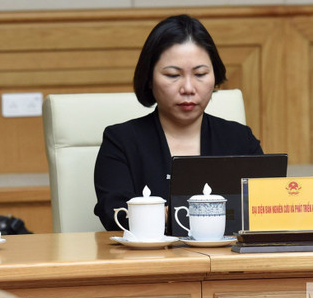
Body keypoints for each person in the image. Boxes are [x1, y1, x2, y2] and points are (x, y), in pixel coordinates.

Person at [93, 14, 262, 231]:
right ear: (149, 79)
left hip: (228, 262)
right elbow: (114, 215)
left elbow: (263, 210)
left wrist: (158, 213)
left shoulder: (240, 140)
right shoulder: (122, 141)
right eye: (173, 75)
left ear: (215, 76)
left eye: (200, 74)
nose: (188, 88)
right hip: (150, 262)